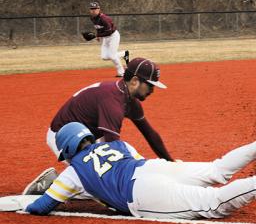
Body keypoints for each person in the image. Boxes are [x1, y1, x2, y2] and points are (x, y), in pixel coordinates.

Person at [25, 123, 256, 219]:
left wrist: (46, 197)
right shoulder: (119, 144)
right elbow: (129, 164)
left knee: (212, 205)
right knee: (217, 170)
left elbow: (42, 207)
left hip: (141, 194)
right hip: (152, 167)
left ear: (69, 149)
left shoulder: (72, 172)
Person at [23, 57, 174, 195]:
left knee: (106, 178)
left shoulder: (129, 100)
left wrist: (170, 162)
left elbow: (150, 134)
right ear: (135, 81)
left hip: (87, 136)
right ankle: (51, 184)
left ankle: (74, 179)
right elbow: (111, 150)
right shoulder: (112, 102)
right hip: (64, 138)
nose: (152, 91)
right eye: (150, 85)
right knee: (101, 187)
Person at [89, 1, 129, 77]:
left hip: (113, 36)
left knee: (112, 56)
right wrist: (98, 35)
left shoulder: (103, 18)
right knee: (104, 57)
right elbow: (97, 27)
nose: (93, 10)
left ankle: (122, 73)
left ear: (99, 9)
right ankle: (124, 54)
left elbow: (109, 32)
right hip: (106, 37)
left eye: (95, 8)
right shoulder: (92, 18)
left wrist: (98, 35)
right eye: (92, 9)